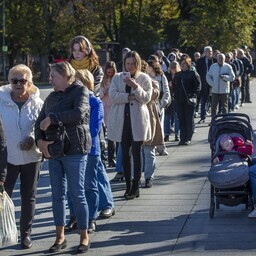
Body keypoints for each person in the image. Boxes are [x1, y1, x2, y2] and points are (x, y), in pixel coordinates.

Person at [35, 61, 91, 254]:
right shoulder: (50, 97)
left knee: (77, 194)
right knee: (57, 196)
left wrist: (54, 118)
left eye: (54, 76)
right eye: (50, 76)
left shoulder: (80, 91)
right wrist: (40, 143)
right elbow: (38, 122)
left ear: (66, 75)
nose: (50, 79)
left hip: (75, 149)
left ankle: (84, 236)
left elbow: (78, 113)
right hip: (54, 151)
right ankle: (60, 236)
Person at [0, 64, 43, 249]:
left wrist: (32, 139)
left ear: (29, 82)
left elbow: (41, 126)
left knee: (28, 197)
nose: (18, 84)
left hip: (31, 157)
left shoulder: (38, 103)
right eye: (14, 80)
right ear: (9, 82)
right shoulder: (0, 100)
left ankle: (25, 234)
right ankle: (3, 233)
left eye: (22, 80)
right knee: (3, 197)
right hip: (5, 158)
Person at [107, 51, 152, 200]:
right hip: (122, 120)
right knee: (124, 153)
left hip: (138, 120)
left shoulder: (144, 78)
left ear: (137, 64)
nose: (130, 66)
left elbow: (146, 98)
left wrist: (135, 86)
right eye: (128, 63)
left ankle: (135, 185)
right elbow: (113, 96)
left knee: (137, 152)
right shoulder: (117, 77)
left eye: (133, 63)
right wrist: (129, 96)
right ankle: (127, 184)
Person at [75, 69, 115, 233]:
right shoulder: (73, 98)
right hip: (79, 147)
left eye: (77, 81)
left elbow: (94, 127)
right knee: (97, 173)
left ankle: (105, 206)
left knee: (95, 176)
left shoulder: (93, 101)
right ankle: (106, 204)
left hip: (91, 146)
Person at [141, 60, 163, 188]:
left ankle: (149, 177)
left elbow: (154, 95)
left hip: (149, 119)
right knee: (135, 152)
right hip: (136, 119)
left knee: (149, 150)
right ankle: (135, 177)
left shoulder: (152, 82)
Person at [172, 56, 201, 145]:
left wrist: (193, 95)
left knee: (189, 119)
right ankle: (182, 138)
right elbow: (174, 86)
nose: (183, 65)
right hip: (179, 100)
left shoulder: (193, 73)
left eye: (185, 64)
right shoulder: (178, 74)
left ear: (188, 64)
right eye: (181, 64)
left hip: (189, 100)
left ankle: (188, 138)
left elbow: (198, 86)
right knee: (181, 119)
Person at [147, 59, 171, 155]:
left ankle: (161, 147)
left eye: (149, 66)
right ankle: (152, 146)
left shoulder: (161, 77)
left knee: (160, 127)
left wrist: (162, 104)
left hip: (159, 105)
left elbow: (166, 92)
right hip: (149, 105)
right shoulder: (146, 77)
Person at [206, 53, 235, 120]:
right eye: (219, 58)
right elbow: (208, 76)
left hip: (224, 90)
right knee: (214, 107)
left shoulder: (228, 67)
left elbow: (232, 77)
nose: (220, 59)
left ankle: (225, 120)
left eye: (222, 58)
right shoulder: (213, 66)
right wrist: (212, 84)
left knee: (225, 106)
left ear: (224, 59)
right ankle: (213, 120)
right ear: (217, 59)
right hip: (215, 90)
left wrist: (225, 77)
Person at [100, 61, 117, 167]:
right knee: (102, 135)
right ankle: (104, 158)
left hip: (113, 109)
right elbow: (99, 95)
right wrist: (104, 90)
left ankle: (112, 158)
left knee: (112, 136)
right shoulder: (102, 81)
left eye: (111, 72)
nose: (109, 74)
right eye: (108, 72)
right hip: (104, 109)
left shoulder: (116, 79)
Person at [196, 46, 214, 123]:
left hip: (212, 83)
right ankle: (202, 117)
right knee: (203, 100)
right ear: (204, 52)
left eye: (210, 51)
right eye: (207, 51)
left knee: (213, 100)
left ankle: (213, 118)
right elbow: (198, 72)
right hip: (203, 83)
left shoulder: (215, 61)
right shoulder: (200, 61)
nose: (209, 53)